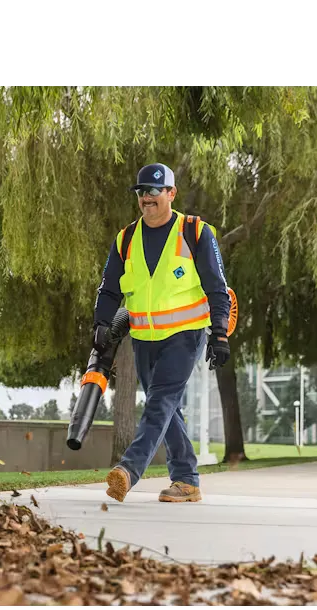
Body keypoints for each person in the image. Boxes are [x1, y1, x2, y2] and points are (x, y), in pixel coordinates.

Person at [94, 163, 231, 504]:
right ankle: (187, 481)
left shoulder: (195, 232)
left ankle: (127, 471)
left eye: (155, 191)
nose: (147, 198)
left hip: (185, 336)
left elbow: (217, 288)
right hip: (143, 338)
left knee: (159, 403)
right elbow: (110, 289)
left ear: (172, 193)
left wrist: (220, 333)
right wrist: (100, 324)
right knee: (168, 410)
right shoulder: (126, 239)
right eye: (142, 191)